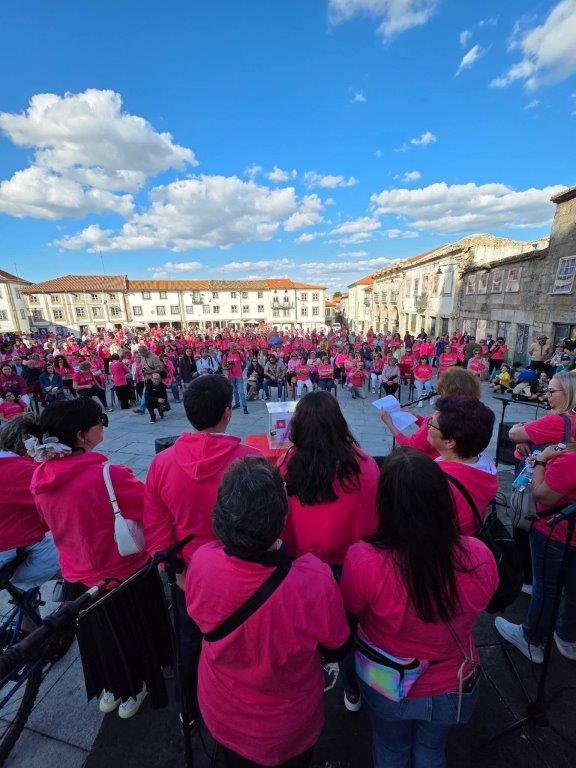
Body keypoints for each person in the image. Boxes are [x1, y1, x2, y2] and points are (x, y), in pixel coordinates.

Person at [186, 456, 350, 768]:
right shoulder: (312, 579)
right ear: (283, 514)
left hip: (222, 709)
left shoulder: (203, 563)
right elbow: (337, 644)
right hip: (288, 723)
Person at [340, 447, 498, 768]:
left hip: (386, 680)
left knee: (390, 749)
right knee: (431, 751)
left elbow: (352, 611)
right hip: (452, 682)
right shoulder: (478, 556)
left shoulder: (364, 559)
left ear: (385, 504)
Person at [27, 399, 173, 719]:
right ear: (81, 436)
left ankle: (114, 689)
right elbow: (150, 509)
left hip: (78, 576)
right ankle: (137, 686)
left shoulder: (40, 478)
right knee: (135, 633)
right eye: (99, 421)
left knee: (101, 639)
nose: (103, 426)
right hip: (123, 574)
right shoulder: (108, 475)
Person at [144, 374, 262, 719]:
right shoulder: (250, 459)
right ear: (228, 413)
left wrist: (176, 573)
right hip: (242, 570)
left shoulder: (161, 464)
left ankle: (188, 706)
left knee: (190, 639)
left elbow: (157, 531)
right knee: (244, 637)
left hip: (191, 574)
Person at [495, 442, 576, 663]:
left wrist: (541, 461)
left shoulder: (570, 460)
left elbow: (541, 495)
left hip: (556, 532)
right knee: (573, 587)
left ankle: (532, 638)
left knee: (546, 587)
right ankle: (567, 636)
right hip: (567, 535)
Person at [507, 371, 576, 589]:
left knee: (525, 526)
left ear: (569, 394)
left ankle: (528, 579)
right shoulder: (566, 419)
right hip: (561, 489)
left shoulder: (559, 420)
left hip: (543, 486)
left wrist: (521, 432)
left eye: (552, 391)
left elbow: (514, 434)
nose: (547, 395)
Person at [0, 413, 59, 606]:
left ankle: (28, 625)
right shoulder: (26, 470)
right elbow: (53, 510)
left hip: (11, 546)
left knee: (26, 585)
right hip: (10, 548)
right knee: (78, 563)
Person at [426, 396, 498, 535]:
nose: (427, 426)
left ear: (449, 442)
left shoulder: (436, 479)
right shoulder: (484, 464)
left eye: (431, 424)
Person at [379, 367, 481, 459]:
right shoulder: (468, 411)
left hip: (428, 466)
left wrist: (389, 423)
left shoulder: (442, 417)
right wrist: (416, 417)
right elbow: (433, 425)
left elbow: (410, 446)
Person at [222, 342, 248, 414]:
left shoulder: (240, 354)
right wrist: (227, 368)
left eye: (235, 346)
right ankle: (237, 403)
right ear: (229, 348)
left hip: (239, 375)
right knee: (234, 391)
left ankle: (245, 407)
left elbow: (244, 363)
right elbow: (223, 366)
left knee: (241, 392)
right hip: (231, 376)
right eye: (233, 347)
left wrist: (241, 369)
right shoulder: (226, 355)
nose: (235, 348)